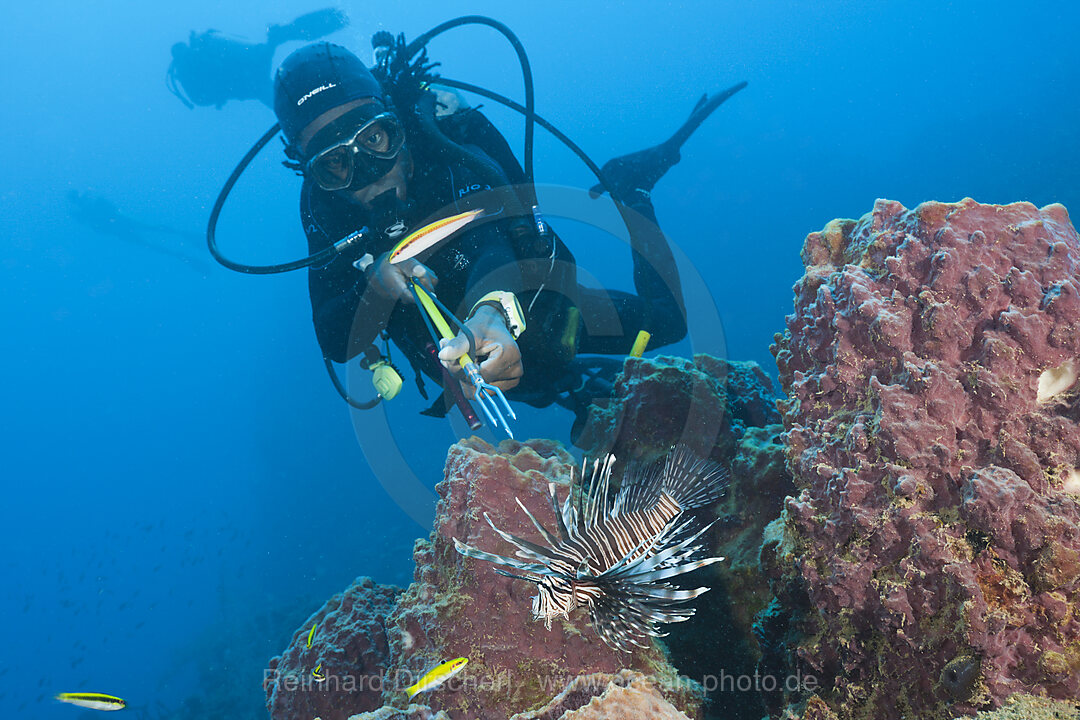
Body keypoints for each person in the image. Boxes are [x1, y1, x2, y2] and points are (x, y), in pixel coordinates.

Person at [272, 41, 705, 425]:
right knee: (539, 384)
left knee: (667, 322)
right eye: (334, 163)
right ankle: (574, 386)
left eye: (374, 138)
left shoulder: (445, 147)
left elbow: (497, 238)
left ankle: (631, 189)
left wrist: (492, 312)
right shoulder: (323, 210)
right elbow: (334, 338)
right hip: (462, 357)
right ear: (312, 171)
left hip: (539, 306)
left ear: (395, 124)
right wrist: (376, 287)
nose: (368, 171)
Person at [168, 8, 348, 110]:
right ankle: (336, 18)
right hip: (251, 71)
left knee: (288, 107)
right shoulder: (202, 50)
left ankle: (319, 108)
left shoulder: (186, 70)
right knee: (277, 42)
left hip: (248, 83)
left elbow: (201, 99)